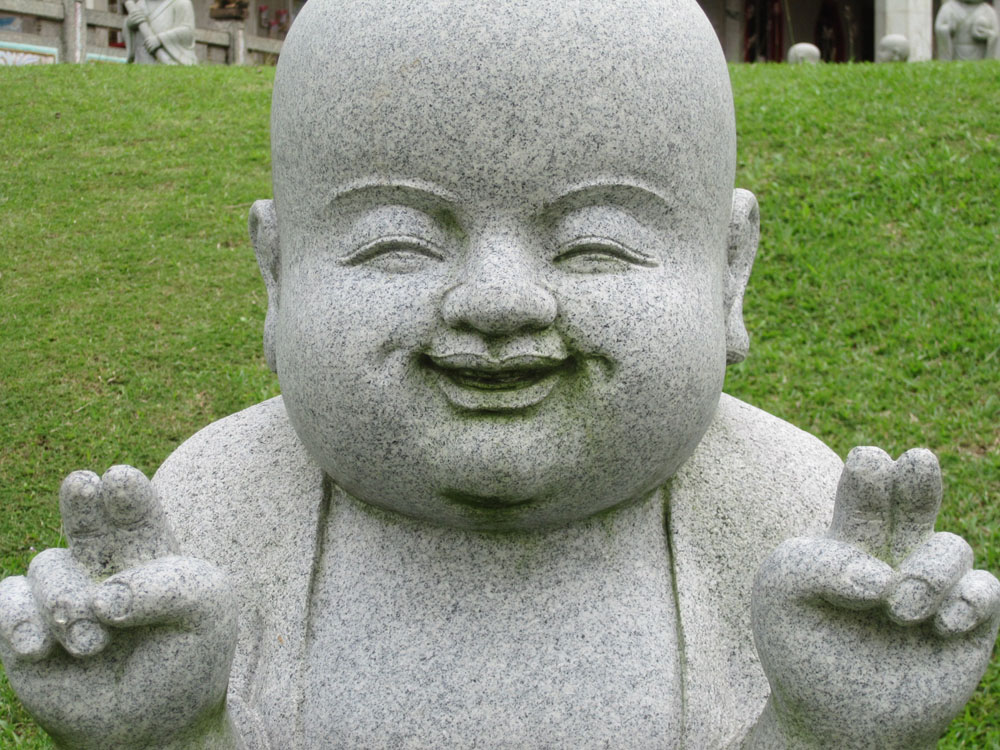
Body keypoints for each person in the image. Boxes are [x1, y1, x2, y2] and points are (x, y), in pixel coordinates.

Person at [1, 0, 997, 748]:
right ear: (277, 272)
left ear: (727, 272)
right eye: (395, 242)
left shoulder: (782, 518)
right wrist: (167, 731)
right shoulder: (218, 515)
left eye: (596, 244)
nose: (497, 300)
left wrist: (825, 727)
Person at [123, 0, 197, 65]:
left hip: (166, 59)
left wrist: (160, 39)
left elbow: (188, 31)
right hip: (143, 59)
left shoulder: (181, 2)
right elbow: (129, 31)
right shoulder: (139, 5)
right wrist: (129, 25)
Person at [935, 0, 999, 60]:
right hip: (956, 51)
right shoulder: (949, 8)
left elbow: (995, 34)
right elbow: (939, 28)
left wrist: (986, 34)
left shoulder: (988, 11)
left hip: (980, 52)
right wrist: (948, 29)